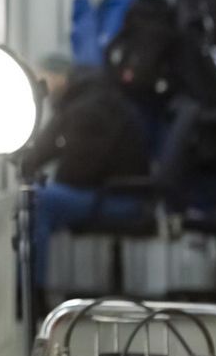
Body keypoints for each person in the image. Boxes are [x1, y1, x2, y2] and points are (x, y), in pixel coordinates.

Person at [18, 52, 151, 294]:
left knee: (37, 200)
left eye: (43, 78)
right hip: (103, 191)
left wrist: (37, 175)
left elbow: (78, 174)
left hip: (118, 198)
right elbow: (43, 150)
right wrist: (23, 165)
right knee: (31, 197)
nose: (40, 87)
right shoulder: (75, 103)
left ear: (59, 78)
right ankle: (26, 292)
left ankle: (28, 295)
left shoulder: (92, 105)